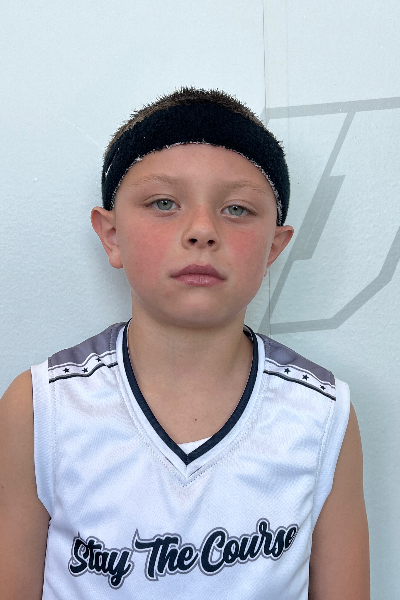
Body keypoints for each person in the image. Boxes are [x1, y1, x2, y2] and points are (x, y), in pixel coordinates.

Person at [0, 88, 369, 599]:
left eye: (236, 208)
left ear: (274, 247)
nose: (202, 230)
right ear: (111, 235)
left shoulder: (323, 415)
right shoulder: (41, 407)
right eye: (164, 203)